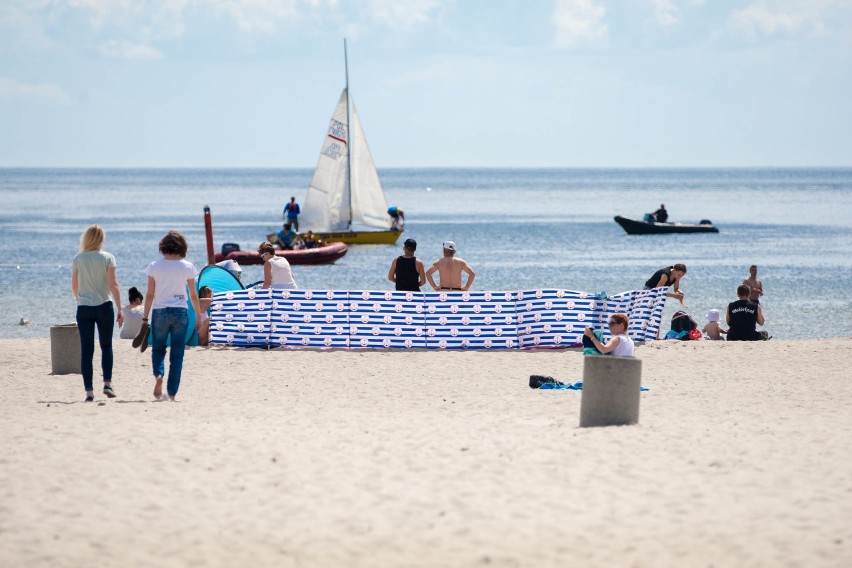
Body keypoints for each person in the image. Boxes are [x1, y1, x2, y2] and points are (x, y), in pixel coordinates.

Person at [141, 231, 202, 401]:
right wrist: (198, 316)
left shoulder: (154, 266)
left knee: (158, 349)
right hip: (180, 312)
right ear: (182, 247)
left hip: (160, 312)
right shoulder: (188, 266)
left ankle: (159, 375)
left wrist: (145, 317)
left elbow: (150, 294)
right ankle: (172, 393)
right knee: (177, 354)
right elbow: (193, 295)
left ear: (163, 247)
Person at [71, 225, 124, 402]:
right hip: (104, 307)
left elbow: (74, 286)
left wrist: (80, 301)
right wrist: (120, 308)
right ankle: (107, 383)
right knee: (106, 346)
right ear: (101, 239)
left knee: (86, 352)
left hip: (84, 307)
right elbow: (113, 285)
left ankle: (89, 392)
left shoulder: (79, 258)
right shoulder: (108, 258)